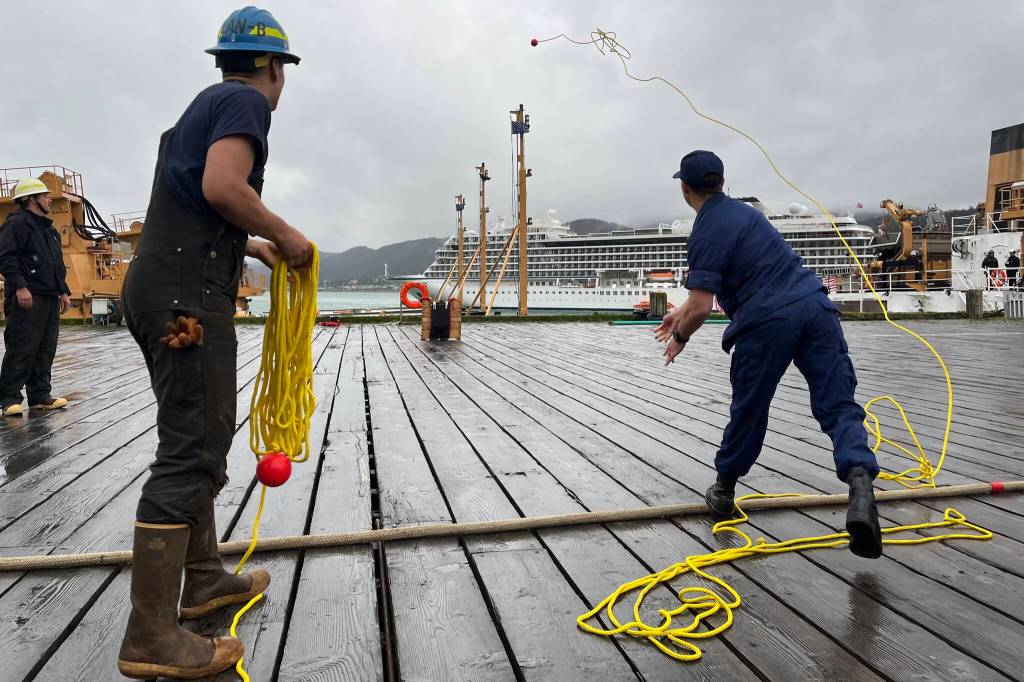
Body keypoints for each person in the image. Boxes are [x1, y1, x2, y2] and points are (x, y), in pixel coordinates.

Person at [116, 7, 313, 679]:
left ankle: (201, 582)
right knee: (191, 453)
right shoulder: (243, 102)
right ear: (273, 68)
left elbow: (197, 202)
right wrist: (286, 236)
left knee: (197, 438)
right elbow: (223, 186)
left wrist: (249, 243)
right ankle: (150, 637)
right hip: (187, 300)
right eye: (281, 70)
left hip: (158, 285)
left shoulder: (198, 109)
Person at [654, 150, 883, 560]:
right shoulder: (747, 215)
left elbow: (703, 305)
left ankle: (723, 491)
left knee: (750, 407)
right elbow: (699, 301)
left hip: (767, 321)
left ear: (684, 188)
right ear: (721, 183)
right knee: (837, 404)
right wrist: (680, 313)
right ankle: (860, 481)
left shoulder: (704, 231)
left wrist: (682, 337)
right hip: (814, 306)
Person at [0, 178, 71, 417]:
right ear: (32, 199)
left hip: (49, 295)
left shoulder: (49, 229)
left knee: (45, 347)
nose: (50, 199)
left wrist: (63, 291)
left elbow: (56, 264)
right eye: (46, 196)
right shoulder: (16, 225)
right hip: (27, 295)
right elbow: (6, 258)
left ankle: (40, 395)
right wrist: (20, 287)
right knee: (22, 345)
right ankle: (9, 398)